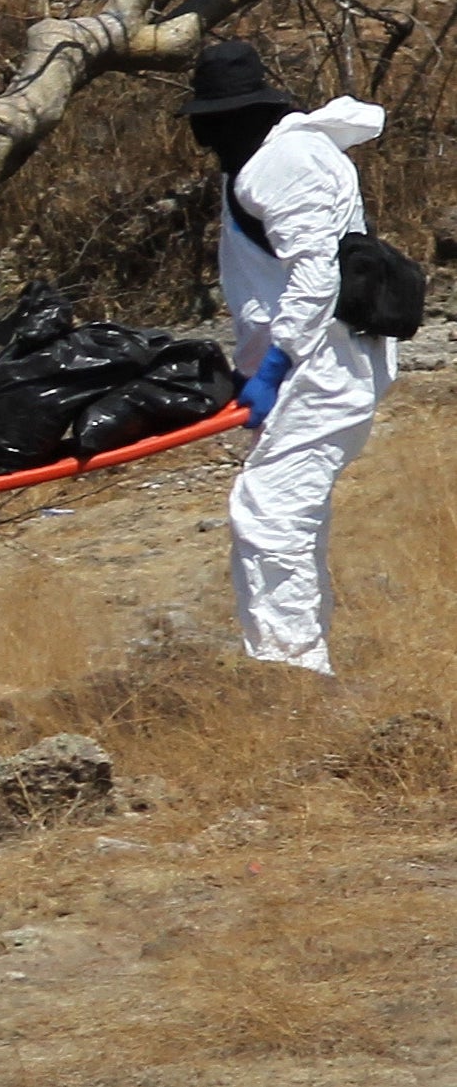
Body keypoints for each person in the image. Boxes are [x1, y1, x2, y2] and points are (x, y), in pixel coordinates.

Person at [180, 41, 396, 674]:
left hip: (321, 366)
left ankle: (291, 672)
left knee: (269, 511)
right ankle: (299, 658)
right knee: (292, 511)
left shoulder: (282, 165)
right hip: (317, 361)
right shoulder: (275, 157)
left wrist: (273, 368)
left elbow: (315, 276)